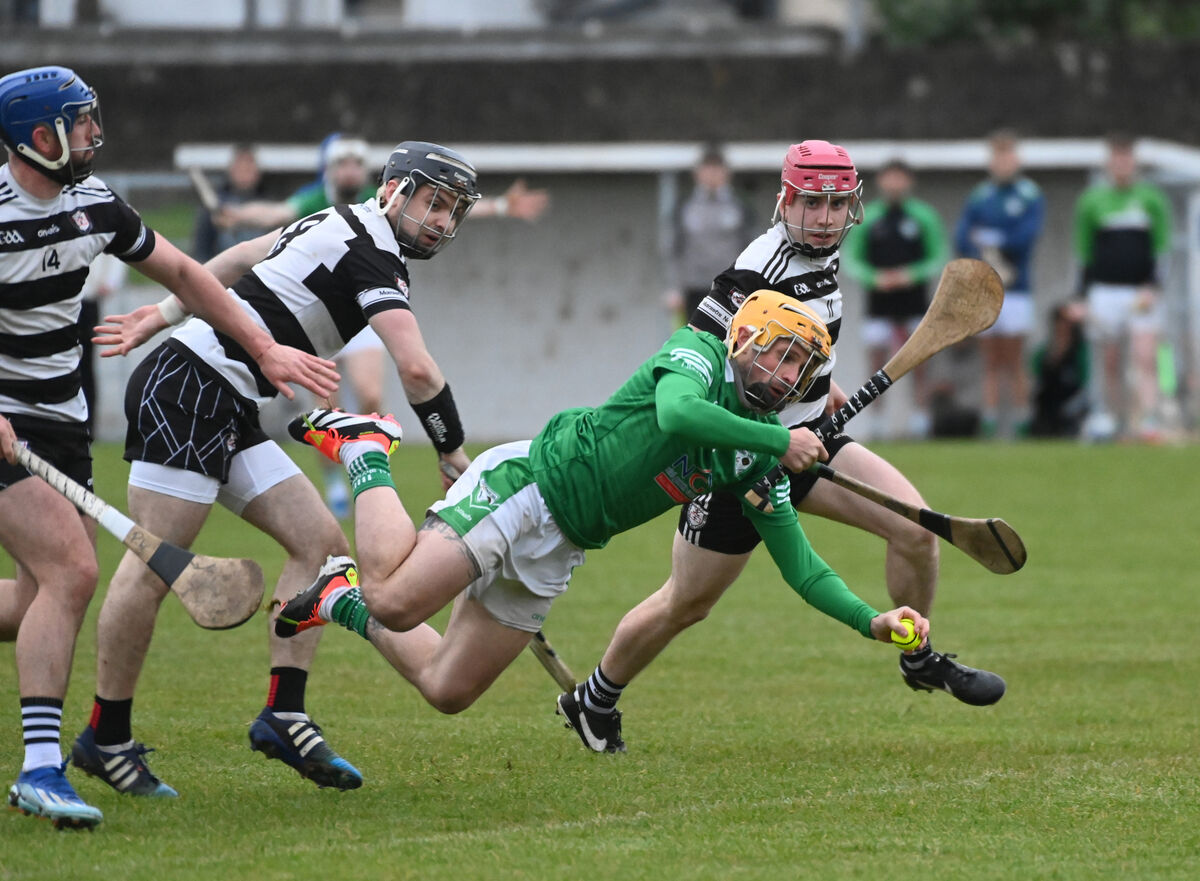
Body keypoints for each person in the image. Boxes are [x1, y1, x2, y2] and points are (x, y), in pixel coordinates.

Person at [272, 290, 931, 754]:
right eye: (781, 355)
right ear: (746, 340)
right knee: (395, 599)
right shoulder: (698, 352)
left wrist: (870, 619)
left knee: (448, 688)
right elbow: (676, 415)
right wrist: (781, 444)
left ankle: (336, 596)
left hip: (562, 546)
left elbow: (802, 565)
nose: (788, 377)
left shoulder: (754, 449)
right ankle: (365, 449)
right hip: (529, 486)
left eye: (800, 368)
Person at [555, 140, 1005, 753]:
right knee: (686, 603)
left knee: (916, 529)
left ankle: (917, 655)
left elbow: (798, 352)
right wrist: (763, 444)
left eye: (836, 204)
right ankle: (596, 697)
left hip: (813, 438)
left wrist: (824, 397)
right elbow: (714, 366)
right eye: (812, 205)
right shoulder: (753, 275)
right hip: (741, 458)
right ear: (784, 203)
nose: (824, 218)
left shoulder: (826, 256)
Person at [71, 141, 478, 799]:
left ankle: (283, 714)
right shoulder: (369, 248)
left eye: (453, 210)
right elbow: (417, 367)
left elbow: (236, 258)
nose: (440, 220)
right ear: (394, 190)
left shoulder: (338, 221)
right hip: (189, 385)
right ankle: (105, 736)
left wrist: (163, 311)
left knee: (320, 548)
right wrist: (451, 448)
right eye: (432, 201)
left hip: (227, 398)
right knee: (154, 563)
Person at [0, 64, 337, 829]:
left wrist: (265, 349)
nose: (93, 132)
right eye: (79, 120)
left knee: (38, 598)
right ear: (38, 135)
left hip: (59, 418)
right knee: (72, 571)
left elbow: (186, 273)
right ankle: (42, 768)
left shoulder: (92, 204)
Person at [218, 134, 549, 517]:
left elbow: (437, 206)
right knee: (328, 406)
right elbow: (264, 229)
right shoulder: (322, 207)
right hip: (292, 330)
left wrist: (502, 206)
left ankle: (366, 472)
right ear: (391, 187)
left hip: (359, 315)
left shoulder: (377, 223)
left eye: (357, 163)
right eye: (343, 163)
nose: (443, 223)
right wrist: (237, 215)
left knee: (370, 398)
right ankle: (336, 485)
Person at [1073, 133, 1173, 442]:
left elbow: (1162, 249)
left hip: (1140, 291)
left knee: (1145, 355)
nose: (1122, 166)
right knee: (1110, 359)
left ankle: (1149, 420)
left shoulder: (1152, 199)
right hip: (1105, 291)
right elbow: (1084, 253)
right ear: (1108, 163)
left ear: (1134, 162)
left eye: (1126, 159)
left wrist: (1153, 286)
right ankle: (1110, 419)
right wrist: (1080, 296)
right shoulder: (1092, 202)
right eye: (1116, 160)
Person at [842, 158, 947, 439]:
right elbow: (852, 258)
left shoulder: (922, 216)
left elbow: (937, 256)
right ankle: (876, 421)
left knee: (918, 361)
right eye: (890, 178)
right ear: (881, 182)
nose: (894, 184)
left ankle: (920, 418)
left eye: (900, 178)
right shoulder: (869, 216)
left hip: (914, 301)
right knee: (877, 361)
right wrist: (876, 278)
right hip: (879, 303)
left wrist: (910, 275)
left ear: (909, 182)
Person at [954, 129, 1045, 438]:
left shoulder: (1029, 195)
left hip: (1017, 288)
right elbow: (963, 237)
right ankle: (990, 423)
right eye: (997, 156)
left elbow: (1025, 237)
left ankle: (1022, 423)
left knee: (1015, 359)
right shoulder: (981, 196)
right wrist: (982, 246)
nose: (1003, 162)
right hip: (986, 288)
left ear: (1016, 159)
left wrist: (994, 240)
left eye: (1008, 155)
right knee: (990, 359)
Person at [662, 145, 755, 324]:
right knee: (692, 342)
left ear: (727, 173)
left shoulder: (739, 206)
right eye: (707, 168)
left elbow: (751, 247)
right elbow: (672, 249)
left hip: (730, 288)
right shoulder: (685, 206)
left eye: (717, 168)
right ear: (697, 173)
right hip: (693, 289)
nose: (712, 174)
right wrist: (674, 288)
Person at [190, 143, 266, 263]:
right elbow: (201, 251)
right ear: (231, 170)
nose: (245, 171)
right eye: (240, 167)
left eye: (249, 166)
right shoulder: (212, 210)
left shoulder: (267, 204)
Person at [1029, 302, 1089, 438]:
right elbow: (1036, 376)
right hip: (1049, 401)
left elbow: (1085, 380)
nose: (1063, 326)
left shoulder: (1080, 351)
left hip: (1071, 399)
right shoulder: (1044, 351)